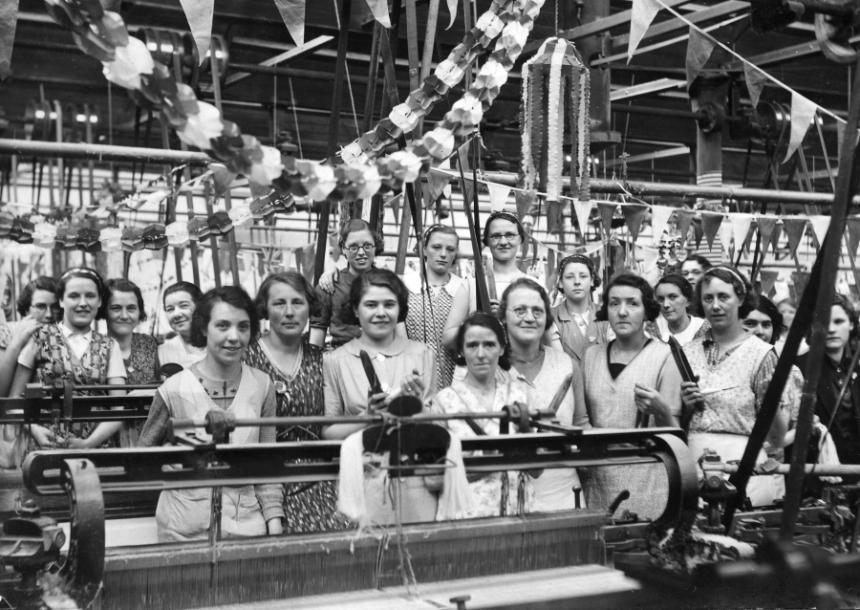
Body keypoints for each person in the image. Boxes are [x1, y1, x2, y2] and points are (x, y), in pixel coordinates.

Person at [139, 286, 285, 541]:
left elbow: (268, 465)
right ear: (204, 328)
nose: (234, 337)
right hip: (182, 529)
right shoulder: (173, 390)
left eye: (243, 327)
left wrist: (274, 524)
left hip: (246, 527)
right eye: (223, 326)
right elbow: (143, 460)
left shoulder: (263, 385)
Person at [322, 269, 437, 524]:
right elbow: (329, 433)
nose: (381, 313)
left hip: (415, 480)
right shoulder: (335, 360)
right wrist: (368, 417)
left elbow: (439, 423)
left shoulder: (423, 354)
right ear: (355, 309)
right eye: (371, 305)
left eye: (389, 304)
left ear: (400, 309)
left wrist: (416, 408)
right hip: (361, 483)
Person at [681, 266, 790, 506]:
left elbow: (778, 437)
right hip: (693, 467)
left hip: (743, 467)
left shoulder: (761, 354)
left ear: (740, 298)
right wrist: (686, 407)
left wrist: (773, 401)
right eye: (708, 298)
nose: (716, 306)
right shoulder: (687, 353)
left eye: (724, 297)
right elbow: (674, 422)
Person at [243, 271, 343, 532]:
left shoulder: (324, 360)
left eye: (297, 302)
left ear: (310, 307)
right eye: (279, 303)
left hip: (321, 477)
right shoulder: (245, 358)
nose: (289, 312)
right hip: (264, 478)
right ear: (265, 308)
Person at [581, 273, 682, 519]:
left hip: (646, 478)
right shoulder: (591, 356)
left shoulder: (665, 357)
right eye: (614, 303)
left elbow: (675, 437)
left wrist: (661, 410)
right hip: (599, 477)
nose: (622, 312)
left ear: (648, 311)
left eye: (632, 303)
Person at [7, 268, 127, 457]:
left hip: (99, 451)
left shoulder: (110, 346)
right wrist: (34, 429)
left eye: (90, 296)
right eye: (73, 296)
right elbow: (14, 401)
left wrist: (88, 444)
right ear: (61, 301)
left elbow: (119, 409)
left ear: (100, 301)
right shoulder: (37, 339)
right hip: (45, 451)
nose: (82, 303)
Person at [430, 312, 531, 517]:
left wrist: (527, 436)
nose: (481, 353)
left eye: (489, 345)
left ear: (502, 348)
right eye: (472, 345)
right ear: (461, 350)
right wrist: (480, 466)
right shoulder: (445, 402)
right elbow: (431, 478)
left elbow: (537, 470)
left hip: (517, 515)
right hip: (465, 519)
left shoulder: (519, 395)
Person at [502, 277, 589, 512]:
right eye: (519, 310)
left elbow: (581, 423)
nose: (529, 317)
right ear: (504, 316)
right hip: (503, 498)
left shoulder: (566, 365)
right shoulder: (490, 368)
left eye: (537, 311)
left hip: (564, 497)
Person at [797, 294, 860, 470]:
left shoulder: (856, 365)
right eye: (824, 321)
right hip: (818, 467)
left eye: (839, 321)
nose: (831, 329)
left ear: (852, 324)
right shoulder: (799, 367)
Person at [405, 224, 469, 389]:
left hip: (452, 375)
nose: (443, 254)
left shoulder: (464, 288)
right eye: (436, 247)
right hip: (410, 373)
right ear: (424, 250)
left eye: (450, 249)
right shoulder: (405, 285)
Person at [310, 219, 379, 349]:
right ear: (343, 249)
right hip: (340, 362)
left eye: (367, 246)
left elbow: (400, 337)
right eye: (353, 247)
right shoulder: (328, 288)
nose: (361, 252)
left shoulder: (389, 285)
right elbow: (315, 343)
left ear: (375, 246)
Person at [0, 276, 59, 397]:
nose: (49, 314)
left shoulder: (60, 336)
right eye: (41, 306)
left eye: (54, 307)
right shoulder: (7, 332)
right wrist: (17, 342)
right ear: (27, 309)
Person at [551, 254, 610, 365]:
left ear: (592, 280)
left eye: (583, 276)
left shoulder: (607, 314)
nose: (577, 282)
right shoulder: (550, 317)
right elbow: (559, 364)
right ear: (560, 283)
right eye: (569, 277)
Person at [106, 279, 159, 385]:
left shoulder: (149, 344)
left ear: (140, 312)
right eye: (116, 308)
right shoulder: (97, 347)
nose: (124, 316)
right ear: (104, 311)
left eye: (131, 308)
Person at [157, 281, 205, 370]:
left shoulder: (218, 343)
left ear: (200, 306)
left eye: (183, 306)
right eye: (170, 309)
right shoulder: (162, 352)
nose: (176, 314)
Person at [653, 273, 706, 346]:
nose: (666, 305)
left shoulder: (703, 329)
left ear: (688, 300)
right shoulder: (653, 331)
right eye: (661, 299)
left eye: (672, 297)